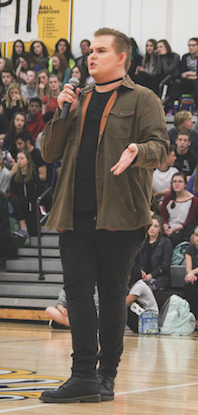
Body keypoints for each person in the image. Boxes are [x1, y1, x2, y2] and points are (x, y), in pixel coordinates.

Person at [39, 27, 168, 404]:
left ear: (122, 57)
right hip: (74, 215)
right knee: (78, 295)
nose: (91, 56)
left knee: (112, 296)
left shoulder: (142, 98)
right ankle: (82, 376)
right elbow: (48, 153)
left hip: (121, 216)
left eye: (100, 50)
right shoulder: (76, 99)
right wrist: (61, 112)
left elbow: (160, 148)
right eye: (90, 51)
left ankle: (105, 376)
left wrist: (136, 151)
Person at [9, 149, 43, 238]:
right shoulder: (15, 177)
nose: (19, 161)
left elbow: (38, 192)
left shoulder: (33, 176)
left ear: (27, 160)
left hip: (30, 203)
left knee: (15, 201)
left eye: (22, 158)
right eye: (18, 159)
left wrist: (24, 199)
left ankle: (23, 228)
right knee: (13, 201)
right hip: (19, 203)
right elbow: (13, 191)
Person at [161, 171, 198, 247]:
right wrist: (166, 227)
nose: (177, 184)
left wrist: (174, 229)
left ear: (185, 184)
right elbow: (164, 217)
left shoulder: (193, 200)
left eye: (180, 181)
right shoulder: (167, 198)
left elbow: (189, 220)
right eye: (174, 181)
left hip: (184, 229)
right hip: (168, 227)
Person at [137, 214, 173, 290]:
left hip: (160, 278)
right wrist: (142, 272)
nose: (152, 228)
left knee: (142, 287)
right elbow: (140, 262)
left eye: (156, 226)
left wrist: (149, 276)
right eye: (150, 225)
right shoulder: (142, 242)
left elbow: (164, 266)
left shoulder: (166, 243)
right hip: (144, 277)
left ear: (160, 229)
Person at [126, 262, 159, 332]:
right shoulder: (133, 286)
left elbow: (125, 303)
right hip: (144, 316)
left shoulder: (139, 285)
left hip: (150, 319)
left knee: (123, 308)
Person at [184, 225, 198, 321]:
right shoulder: (190, 249)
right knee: (189, 284)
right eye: (197, 235)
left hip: (195, 274)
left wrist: (191, 273)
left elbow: (192, 270)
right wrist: (190, 275)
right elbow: (188, 267)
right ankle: (192, 318)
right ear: (193, 237)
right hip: (195, 276)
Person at [181, 37, 198, 109]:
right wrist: (191, 74)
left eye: (193, 45)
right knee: (177, 82)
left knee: (196, 83)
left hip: (195, 80)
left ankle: (196, 107)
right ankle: (174, 107)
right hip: (190, 78)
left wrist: (188, 73)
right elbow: (183, 73)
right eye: (189, 45)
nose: (191, 47)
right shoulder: (185, 57)